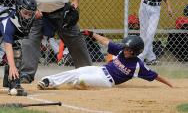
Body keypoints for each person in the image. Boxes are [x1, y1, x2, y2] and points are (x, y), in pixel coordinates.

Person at [37, 31, 173, 89]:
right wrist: (92, 34)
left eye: (128, 49)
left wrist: (171, 85)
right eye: (125, 48)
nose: (125, 50)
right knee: (77, 71)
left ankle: (64, 84)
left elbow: (155, 76)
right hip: (100, 69)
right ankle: (48, 81)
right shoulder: (120, 50)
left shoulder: (138, 65)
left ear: (135, 51)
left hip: (106, 81)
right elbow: (106, 42)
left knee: (80, 79)